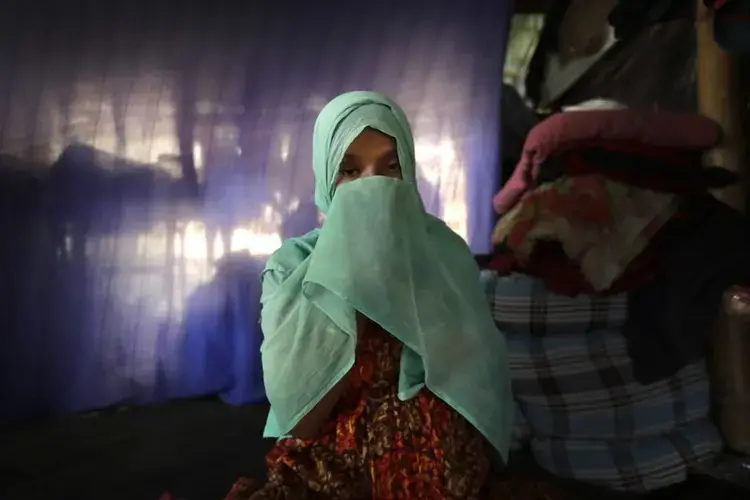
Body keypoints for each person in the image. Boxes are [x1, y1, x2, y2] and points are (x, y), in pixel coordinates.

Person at [225, 92, 527, 499]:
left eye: (391, 167)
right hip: (333, 465)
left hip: (440, 458)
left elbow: (475, 390)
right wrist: (357, 282)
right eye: (350, 171)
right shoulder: (293, 266)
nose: (374, 189)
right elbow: (302, 420)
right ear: (325, 178)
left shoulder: (443, 252)